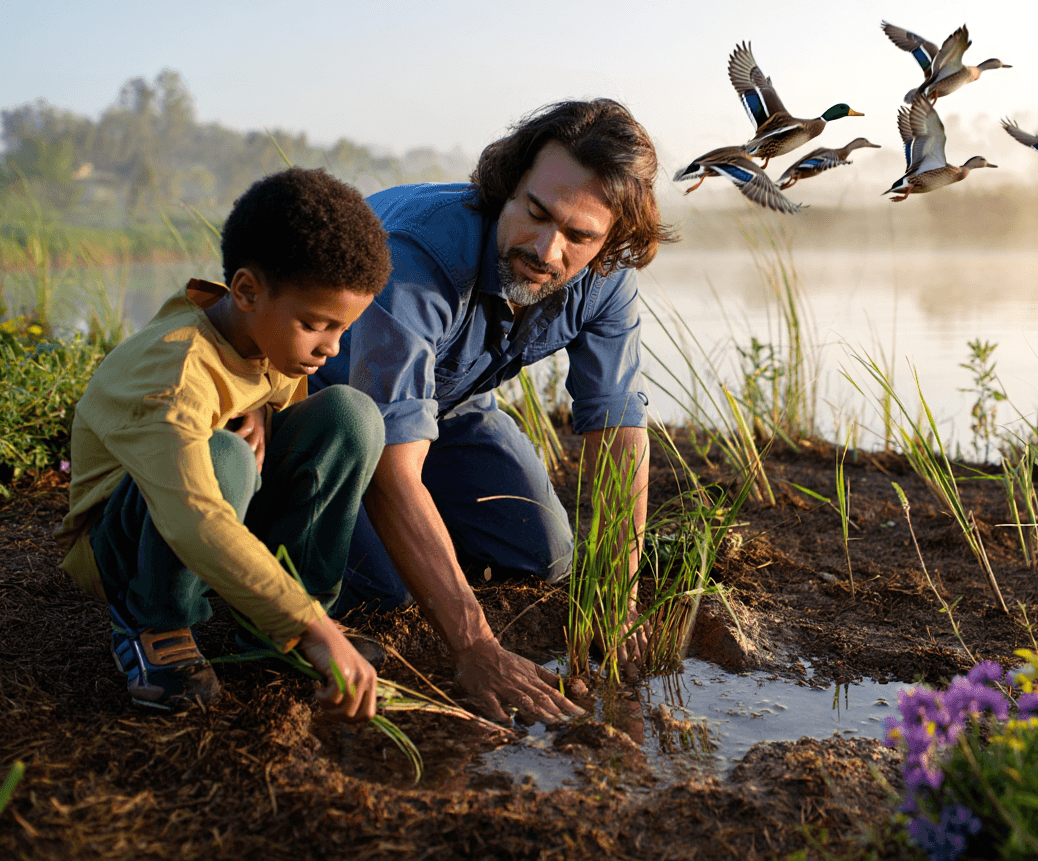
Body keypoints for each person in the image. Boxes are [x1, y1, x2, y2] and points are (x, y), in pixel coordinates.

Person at [310, 99, 675, 724]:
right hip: (330, 413)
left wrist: (618, 599)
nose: (546, 248)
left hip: (452, 406)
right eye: (536, 213)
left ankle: (418, 537)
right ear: (508, 187)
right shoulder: (419, 255)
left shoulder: (608, 278)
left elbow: (617, 430)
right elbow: (389, 460)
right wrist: (475, 643)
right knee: (386, 590)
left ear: (609, 244)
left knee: (547, 555)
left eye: (579, 237)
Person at [55, 168, 391, 722]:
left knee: (350, 416)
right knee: (226, 458)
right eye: (316, 325)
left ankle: (276, 618)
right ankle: (153, 621)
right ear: (246, 290)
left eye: (342, 329)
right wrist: (316, 630)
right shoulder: (175, 372)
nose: (331, 347)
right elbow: (195, 517)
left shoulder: (259, 331)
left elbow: (265, 385)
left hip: (214, 500)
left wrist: (256, 406)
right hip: (126, 536)